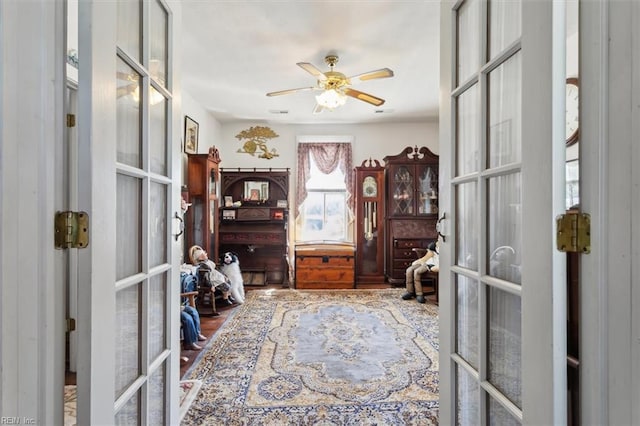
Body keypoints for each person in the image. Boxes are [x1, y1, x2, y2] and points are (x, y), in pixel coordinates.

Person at [401, 240, 439, 304]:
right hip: (426, 262)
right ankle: (410, 291)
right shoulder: (433, 246)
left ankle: (419, 294)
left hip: (432, 264)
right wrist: (420, 261)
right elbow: (427, 256)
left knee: (417, 272)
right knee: (409, 270)